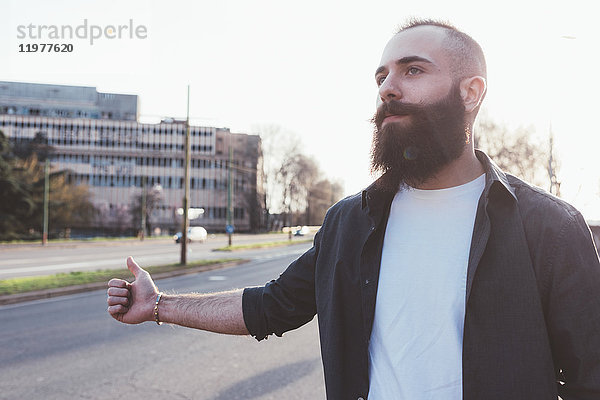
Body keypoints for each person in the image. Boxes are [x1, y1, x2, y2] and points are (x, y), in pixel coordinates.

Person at [107, 19, 600, 400]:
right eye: (382, 76)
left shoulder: (550, 227)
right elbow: (272, 306)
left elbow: (589, 379)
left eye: (413, 70)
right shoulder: (350, 221)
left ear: (471, 93)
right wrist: (161, 306)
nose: (388, 88)